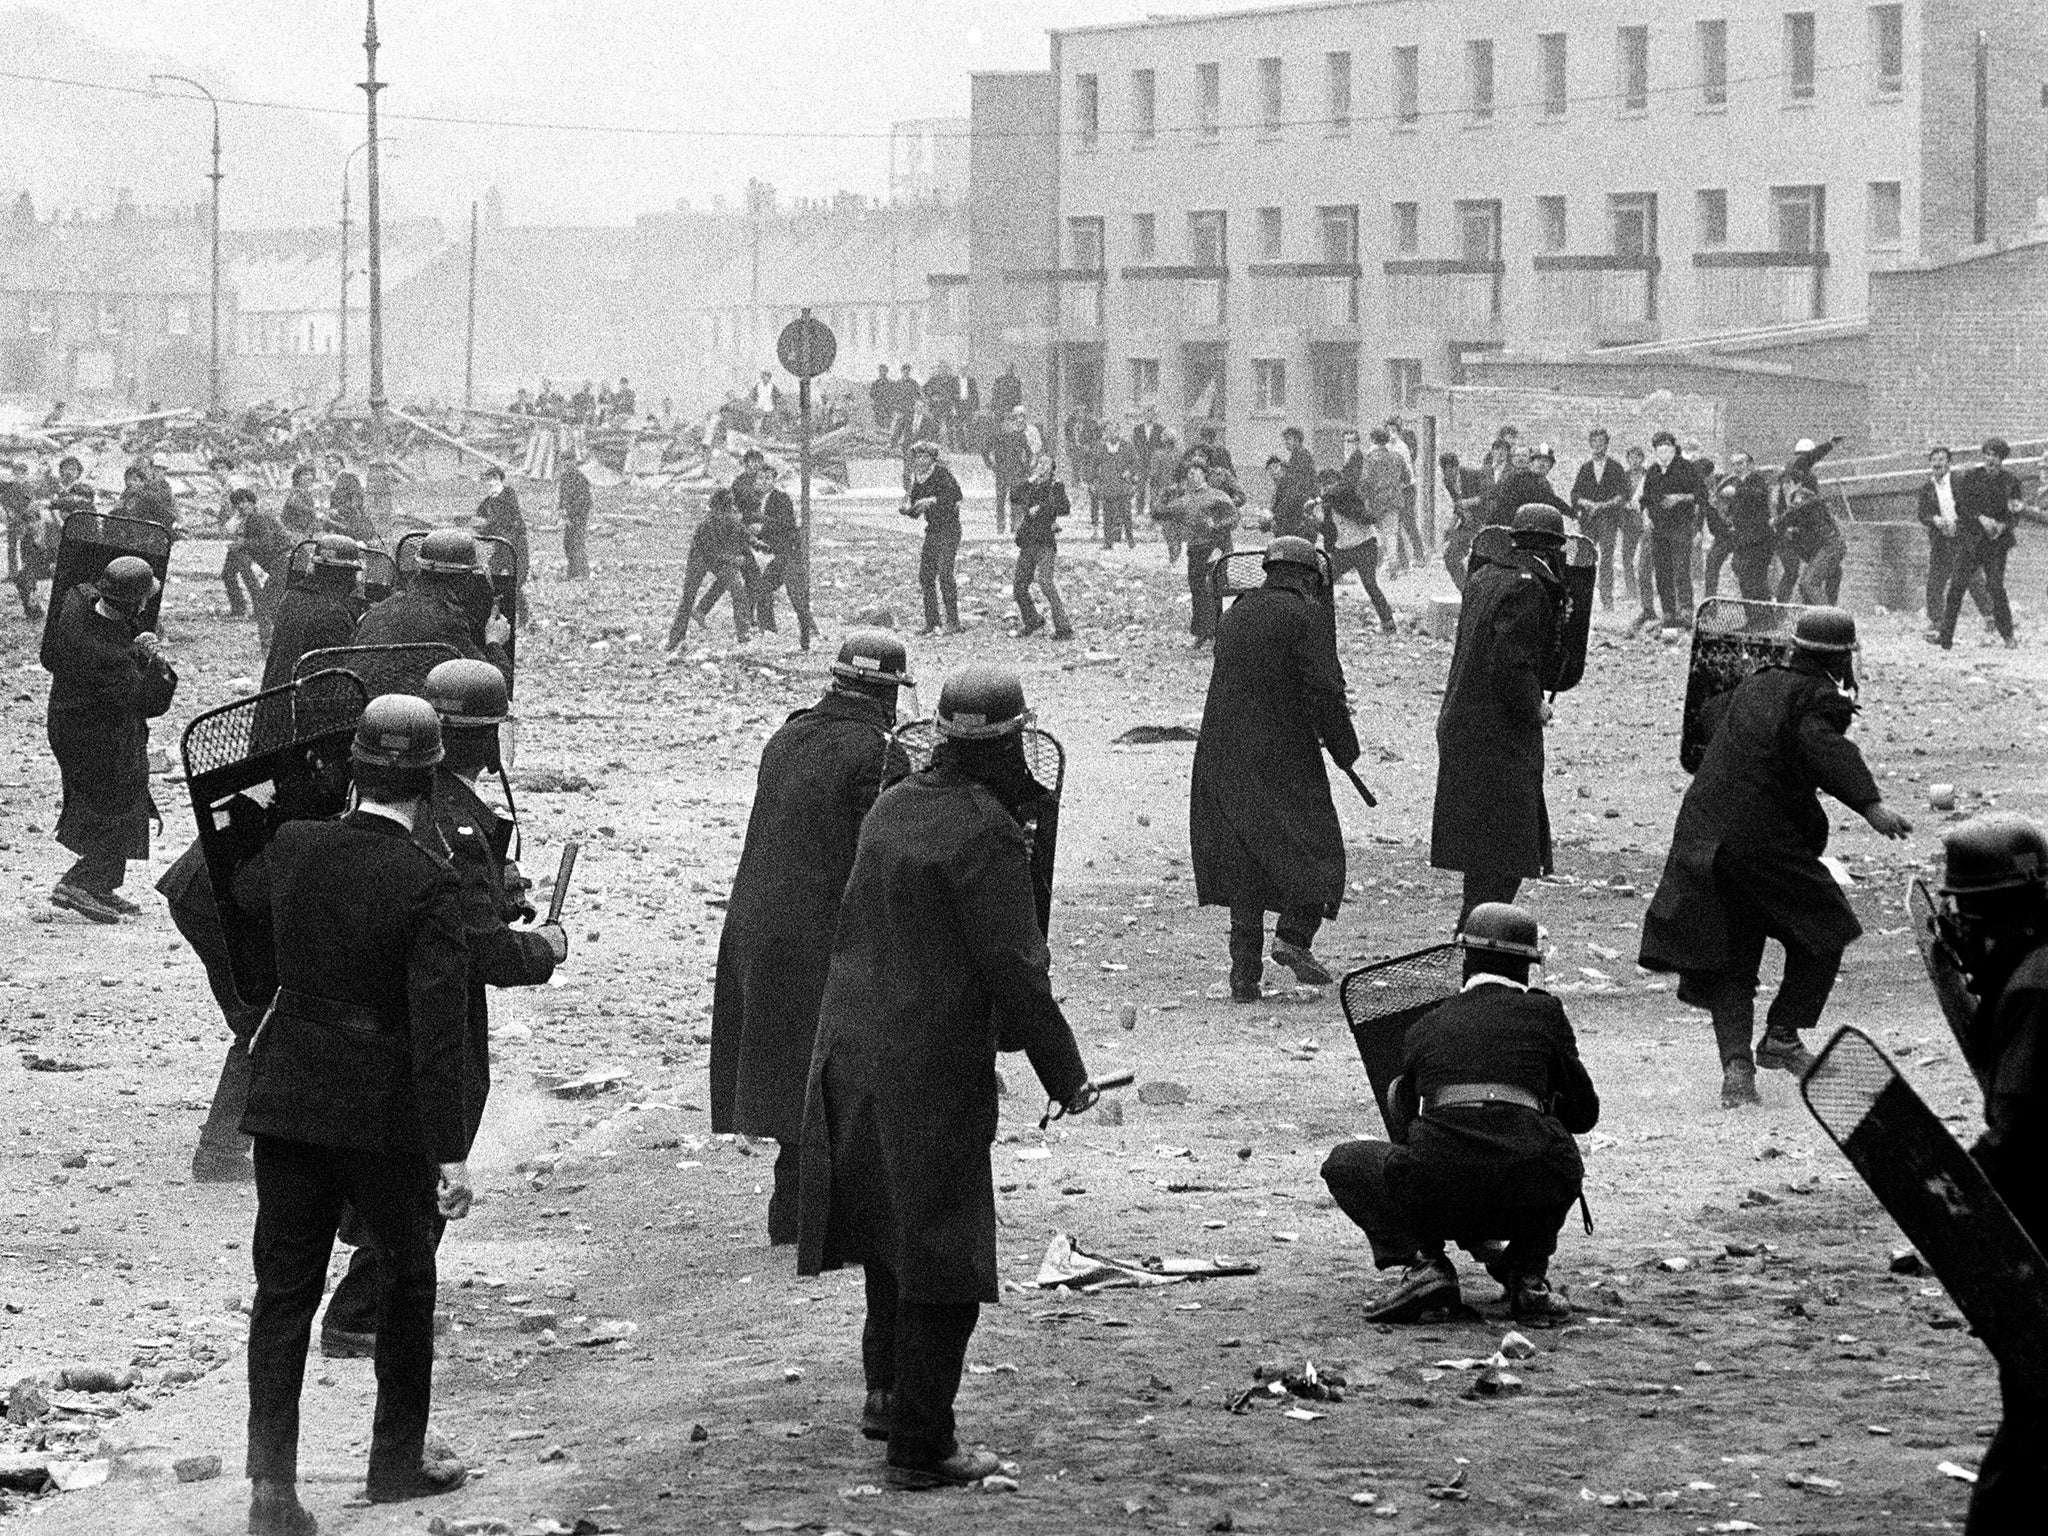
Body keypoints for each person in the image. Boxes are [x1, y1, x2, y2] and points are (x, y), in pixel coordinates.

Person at [797, 666, 1101, 1490]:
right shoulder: (988, 829)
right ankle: (923, 1447)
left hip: (848, 1052)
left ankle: (887, 1398)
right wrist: (1066, 1075)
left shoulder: (893, 805)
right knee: (942, 1253)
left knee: (889, 1242)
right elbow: (1015, 969)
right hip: (926, 1067)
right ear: (1011, 742)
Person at [235, 696, 476, 1531]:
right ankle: (394, 1463)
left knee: (282, 1293)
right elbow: (440, 1031)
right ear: (432, 781)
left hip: (288, 1095)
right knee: (407, 1278)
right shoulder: (429, 882)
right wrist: (451, 1152)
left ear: (355, 770)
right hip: (380, 1117)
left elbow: (240, 904)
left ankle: (271, 1486)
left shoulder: (294, 846)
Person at [318, 664, 566, 1358]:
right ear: (483, 740)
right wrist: (543, 947)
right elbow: (483, 953)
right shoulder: (457, 821)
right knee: (435, 1144)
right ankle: (364, 1310)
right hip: (435, 1012)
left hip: (364, 1001)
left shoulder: (399, 801)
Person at [1638, 608, 1911, 1107]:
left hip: (1703, 836)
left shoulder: (1752, 685)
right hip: (1760, 841)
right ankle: (1782, 1035)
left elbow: (1707, 715)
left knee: (1732, 954)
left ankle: (1737, 1070)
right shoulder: (1817, 697)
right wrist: (1874, 807)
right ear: (1840, 659)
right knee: (1828, 926)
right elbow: (1824, 749)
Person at [711, 632, 913, 1245]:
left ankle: (794, 1214)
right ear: (886, 695)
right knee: (834, 1075)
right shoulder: (880, 753)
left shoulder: (787, 736)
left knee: (785, 1071)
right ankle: (819, 1219)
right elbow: (880, 856)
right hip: (822, 935)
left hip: (757, 929)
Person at [1322, 903, 1599, 1326]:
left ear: (1465, 961)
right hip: (1524, 1194)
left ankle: (1424, 1264)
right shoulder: (1545, 1013)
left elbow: (1404, 1123)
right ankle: (1527, 1274)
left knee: (1345, 1162)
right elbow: (1584, 1115)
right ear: (1527, 969)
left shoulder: (1426, 1025)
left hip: (1439, 1193)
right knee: (1558, 1156)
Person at [1921, 816, 2048, 1532]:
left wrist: (1951, 1198)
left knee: (2033, 1432)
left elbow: (2023, 1133)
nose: (1961, 935)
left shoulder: (2035, 990)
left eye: (1969, 915)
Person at [1191, 536, 1360, 999]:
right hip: (1281, 754)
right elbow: (1325, 690)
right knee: (1316, 847)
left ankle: (1244, 977)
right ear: (1310, 577)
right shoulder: (1305, 616)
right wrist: (1346, 749)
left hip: (1221, 752)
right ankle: (1293, 936)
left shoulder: (1237, 612)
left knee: (1245, 858)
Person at [1431, 506, 1569, 927]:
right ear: (1553, 547)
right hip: (1499, 733)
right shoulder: (1529, 587)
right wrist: (1535, 704)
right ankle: (1475, 934)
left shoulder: (1487, 575)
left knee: (1483, 846)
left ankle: (1469, 926)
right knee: (1508, 846)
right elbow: (1511, 660)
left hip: (1464, 723)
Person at [41, 555, 177, 924]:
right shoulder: (112, 660)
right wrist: (157, 663)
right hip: (95, 735)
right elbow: (149, 703)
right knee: (120, 803)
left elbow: (77, 583)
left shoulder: (77, 602)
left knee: (120, 796)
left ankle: (102, 884)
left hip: (73, 723)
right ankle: (80, 884)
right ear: (139, 603)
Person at [355, 528, 513, 680]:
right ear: (464, 580)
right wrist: (494, 642)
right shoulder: (448, 621)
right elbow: (496, 682)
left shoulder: (379, 610)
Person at [1932, 437, 2024, 650]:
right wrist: (1981, 518)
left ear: (2002, 459)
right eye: (1988, 455)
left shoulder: (2011, 483)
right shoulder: (1972, 477)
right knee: (1956, 587)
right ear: (1983, 456)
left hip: (1995, 545)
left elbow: (2015, 514)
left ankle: (2008, 635)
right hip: (1971, 542)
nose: (1991, 460)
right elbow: (1961, 507)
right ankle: (1945, 638)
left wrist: (2002, 526)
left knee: (1995, 587)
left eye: (1996, 456)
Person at [261, 534, 362, 693]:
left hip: (272, 700)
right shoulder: (334, 613)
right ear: (347, 576)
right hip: (306, 707)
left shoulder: (291, 597)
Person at [664, 487, 756, 651]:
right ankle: (675, 639)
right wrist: (734, 559)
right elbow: (710, 553)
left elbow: (746, 535)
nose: (727, 513)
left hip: (719, 559)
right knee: (688, 597)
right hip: (700, 559)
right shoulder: (706, 524)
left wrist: (761, 545)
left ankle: (744, 633)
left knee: (738, 590)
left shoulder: (730, 519)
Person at [1917, 445, 1991, 635]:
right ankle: (1936, 621)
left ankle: (1991, 617)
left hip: (1962, 537)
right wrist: (1935, 520)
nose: (1937, 463)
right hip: (1941, 541)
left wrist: (1959, 522)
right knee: (1935, 581)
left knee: (1974, 578)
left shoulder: (1960, 481)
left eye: (1941, 459)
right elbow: (1922, 514)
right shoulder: (1927, 488)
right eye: (1934, 460)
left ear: (1949, 463)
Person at [1637, 431, 1705, 632]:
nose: (1663, 453)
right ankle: (1668, 613)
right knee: (1662, 571)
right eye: (1659, 449)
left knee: (1681, 569)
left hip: (1680, 526)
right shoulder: (1653, 471)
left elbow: (1701, 494)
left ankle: (1685, 612)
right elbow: (1645, 499)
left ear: (1675, 450)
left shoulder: (1686, 468)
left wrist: (1680, 497)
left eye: (1667, 449)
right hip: (1659, 528)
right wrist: (1646, 517)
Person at [1168, 462, 1240, 649]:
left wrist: (1216, 524)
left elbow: (1234, 518)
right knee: (1197, 589)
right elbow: (1174, 519)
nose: (1191, 477)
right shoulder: (1186, 499)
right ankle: (1201, 633)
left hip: (1215, 549)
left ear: (1204, 475)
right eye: (1189, 474)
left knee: (1214, 589)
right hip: (1195, 548)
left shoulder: (1218, 496)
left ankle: (1218, 633)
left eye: (1195, 473)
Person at [1315, 467, 1396, 633]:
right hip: (1344, 549)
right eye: (1323, 486)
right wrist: (1317, 522)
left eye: (1328, 484)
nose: (1326, 488)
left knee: (1369, 584)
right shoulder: (1328, 505)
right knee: (1324, 579)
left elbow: (1339, 492)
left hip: (1364, 545)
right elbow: (1330, 531)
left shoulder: (1346, 493)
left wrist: (1319, 499)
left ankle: (1388, 622)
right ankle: (1318, 620)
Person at [1009, 453, 1074, 641]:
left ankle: (1063, 627)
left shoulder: (1056, 486)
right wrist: (1030, 480)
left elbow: (1064, 508)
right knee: (1019, 585)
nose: (1041, 467)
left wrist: (1042, 508)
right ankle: (1032, 620)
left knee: (1045, 582)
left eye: (1046, 464)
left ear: (1052, 468)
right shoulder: (1030, 485)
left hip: (1045, 541)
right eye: (1039, 463)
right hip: (1028, 540)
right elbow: (1013, 496)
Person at [902, 442, 964, 636]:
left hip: (949, 529)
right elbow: (914, 510)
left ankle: (953, 622)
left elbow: (956, 496)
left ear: (932, 458)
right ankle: (932, 621)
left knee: (945, 573)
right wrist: (908, 508)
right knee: (926, 576)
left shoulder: (941, 474)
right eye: (918, 457)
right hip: (933, 530)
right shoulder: (917, 480)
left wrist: (933, 500)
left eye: (925, 457)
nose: (921, 461)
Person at [1570, 429, 1632, 610]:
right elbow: (1575, 494)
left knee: (1606, 558)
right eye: (1595, 442)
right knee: (1584, 558)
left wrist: (1604, 505)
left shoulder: (1615, 467)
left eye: (1602, 442)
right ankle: (1581, 600)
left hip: (1608, 519)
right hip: (1589, 520)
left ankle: (1607, 600)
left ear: (1607, 444)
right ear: (1590, 444)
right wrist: (1588, 504)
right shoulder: (1586, 468)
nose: (1598, 445)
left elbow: (1623, 494)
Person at [230, 487, 295, 648]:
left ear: (252, 502)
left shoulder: (257, 518)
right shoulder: (253, 518)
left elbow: (267, 543)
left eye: (244, 501)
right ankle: (277, 642)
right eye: (237, 503)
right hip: (285, 562)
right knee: (275, 604)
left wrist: (243, 543)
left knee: (266, 606)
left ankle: (269, 644)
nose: (241, 506)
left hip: (283, 562)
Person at [1711, 453, 1776, 602]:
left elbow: (1759, 495)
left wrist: (1736, 493)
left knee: (1755, 578)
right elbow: (1733, 510)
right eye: (1734, 464)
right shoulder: (1736, 482)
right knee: (1743, 573)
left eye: (1741, 462)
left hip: (1758, 538)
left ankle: (1763, 617)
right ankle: (1753, 617)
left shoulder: (1756, 479)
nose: (1737, 467)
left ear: (1750, 464)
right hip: (1743, 538)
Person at [473, 467, 530, 628]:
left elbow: (507, 516)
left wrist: (487, 523)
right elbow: (478, 520)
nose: (491, 482)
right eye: (488, 478)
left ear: (501, 479)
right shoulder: (488, 501)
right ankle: (493, 617)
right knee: (491, 579)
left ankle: (523, 616)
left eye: (494, 478)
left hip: (515, 546)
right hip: (500, 547)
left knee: (515, 582)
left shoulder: (508, 494)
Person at [1438, 452, 1489, 591]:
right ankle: (1466, 591)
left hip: (1483, 521)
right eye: (1445, 470)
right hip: (1467, 524)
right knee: (1450, 557)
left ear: (1456, 467)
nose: (1449, 474)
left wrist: (1468, 503)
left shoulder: (1472, 475)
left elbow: (1486, 497)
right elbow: (1458, 505)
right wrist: (1450, 527)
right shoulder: (1447, 481)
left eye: (1452, 470)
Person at [984, 407, 1033, 537]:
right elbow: (985, 450)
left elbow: (1028, 452)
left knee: (1015, 500)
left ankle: (1014, 526)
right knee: (1000, 499)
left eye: (1011, 422)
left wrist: (1026, 467)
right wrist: (990, 464)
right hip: (1001, 471)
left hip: (1016, 471)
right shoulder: (996, 436)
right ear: (1002, 424)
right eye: (1005, 422)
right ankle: (1000, 526)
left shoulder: (1019, 436)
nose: (1008, 425)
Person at [1094, 417, 1139, 549]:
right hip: (1107, 485)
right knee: (1108, 515)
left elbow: (1135, 463)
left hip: (1122, 485)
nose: (1111, 434)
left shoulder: (1127, 446)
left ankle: (1130, 540)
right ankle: (1108, 542)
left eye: (1114, 431)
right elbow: (1094, 465)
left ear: (1119, 432)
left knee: (1126, 514)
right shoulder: (1101, 447)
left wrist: (1129, 472)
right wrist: (1094, 481)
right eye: (1108, 431)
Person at [325, 452, 376, 546]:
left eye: (333, 463)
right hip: (340, 524)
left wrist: (339, 511)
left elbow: (357, 502)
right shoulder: (335, 481)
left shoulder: (349, 478)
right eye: (327, 463)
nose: (329, 466)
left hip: (353, 524)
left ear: (340, 464)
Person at [558, 454, 592, 581]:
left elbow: (585, 500)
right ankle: (572, 572)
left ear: (574, 462)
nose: (567, 464)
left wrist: (573, 514)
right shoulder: (564, 478)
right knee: (567, 543)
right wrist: (561, 510)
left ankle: (582, 573)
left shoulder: (581, 478)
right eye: (564, 461)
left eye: (569, 461)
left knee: (577, 543)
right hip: (568, 517)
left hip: (579, 516)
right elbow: (562, 497)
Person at [280, 464, 320, 540]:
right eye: (305, 474)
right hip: (296, 532)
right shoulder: (296, 492)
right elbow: (295, 504)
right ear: (298, 477)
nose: (309, 477)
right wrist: (314, 512)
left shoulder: (306, 493)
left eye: (311, 474)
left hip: (304, 531)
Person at [869, 364, 893, 432]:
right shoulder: (875, 383)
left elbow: (893, 394)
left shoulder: (890, 383)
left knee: (887, 423)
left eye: (884, 371)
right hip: (878, 405)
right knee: (878, 422)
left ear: (886, 372)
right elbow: (871, 394)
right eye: (881, 371)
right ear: (879, 372)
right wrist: (877, 398)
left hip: (887, 405)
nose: (882, 372)